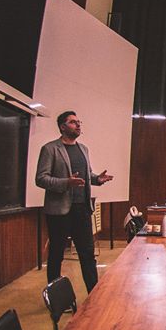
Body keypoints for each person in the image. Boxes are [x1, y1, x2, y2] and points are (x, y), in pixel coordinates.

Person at [35, 111, 114, 293]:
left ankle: (93, 295)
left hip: (82, 209)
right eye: (72, 122)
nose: (78, 125)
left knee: (87, 254)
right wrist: (66, 183)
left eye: (79, 122)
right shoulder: (50, 149)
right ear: (62, 127)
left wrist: (97, 179)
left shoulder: (83, 149)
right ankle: (55, 297)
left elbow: (86, 176)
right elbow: (41, 179)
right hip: (59, 212)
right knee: (56, 255)